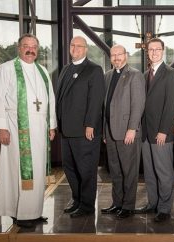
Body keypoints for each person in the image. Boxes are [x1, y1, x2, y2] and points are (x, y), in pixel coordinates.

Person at [0, 33, 57, 228]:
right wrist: (1, 127)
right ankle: (18, 214)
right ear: (18, 47)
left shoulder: (42, 71)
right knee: (18, 171)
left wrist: (51, 124)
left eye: (34, 46)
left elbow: (50, 100)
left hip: (39, 128)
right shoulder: (6, 69)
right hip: (15, 127)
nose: (30, 49)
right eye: (26, 46)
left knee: (37, 171)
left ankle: (34, 211)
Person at [56, 36, 105, 218]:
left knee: (86, 169)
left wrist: (90, 124)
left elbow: (96, 100)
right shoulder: (66, 69)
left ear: (86, 49)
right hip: (66, 130)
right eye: (72, 45)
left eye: (79, 46)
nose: (75, 48)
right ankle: (77, 199)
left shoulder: (94, 70)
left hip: (84, 131)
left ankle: (86, 205)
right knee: (69, 168)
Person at [135, 38, 174, 222]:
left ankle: (164, 208)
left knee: (164, 172)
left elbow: (171, 105)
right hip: (146, 132)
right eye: (151, 50)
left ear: (163, 51)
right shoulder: (144, 75)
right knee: (150, 172)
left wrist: (164, 130)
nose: (154, 52)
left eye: (157, 49)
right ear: (148, 52)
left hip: (161, 133)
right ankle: (152, 203)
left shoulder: (171, 74)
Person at [101, 44, 145, 219]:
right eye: (113, 55)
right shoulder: (107, 76)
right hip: (110, 133)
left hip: (128, 132)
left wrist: (132, 129)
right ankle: (117, 203)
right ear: (110, 57)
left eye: (119, 54)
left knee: (129, 171)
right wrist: (105, 132)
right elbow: (106, 106)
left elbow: (138, 104)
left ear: (126, 55)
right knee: (115, 171)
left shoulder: (135, 75)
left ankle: (128, 206)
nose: (116, 58)